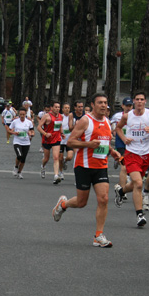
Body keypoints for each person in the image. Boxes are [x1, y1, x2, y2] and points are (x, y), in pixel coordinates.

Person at [52, 93, 122, 247]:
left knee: (103, 199)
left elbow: (103, 142)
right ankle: (63, 205)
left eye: (105, 102)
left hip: (101, 166)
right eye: (100, 103)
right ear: (93, 104)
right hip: (83, 166)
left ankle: (98, 236)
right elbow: (71, 141)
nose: (103, 105)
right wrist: (88, 145)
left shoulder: (108, 122)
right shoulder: (85, 120)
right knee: (82, 202)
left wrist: (112, 151)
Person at [113, 92, 149, 227]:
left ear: (145, 101)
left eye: (142, 99)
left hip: (146, 154)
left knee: (135, 184)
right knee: (138, 183)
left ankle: (121, 191)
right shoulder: (127, 116)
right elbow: (118, 128)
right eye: (137, 99)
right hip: (131, 154)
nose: (140, 102)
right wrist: (124, 139)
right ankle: (140, 215)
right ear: (134, 102)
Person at [38, 101, 64, 184]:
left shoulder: (61, 116)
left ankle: (56, 176)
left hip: (56, 139)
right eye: (55, 107)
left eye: (58, 107)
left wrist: (62, 133)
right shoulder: (47, 116)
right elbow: (39, 127)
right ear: (52, 108)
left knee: (56, 157)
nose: (57, 109)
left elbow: (60, 126)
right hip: (47, 139)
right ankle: (43, 166)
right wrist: (45, 134)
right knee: (46, 158)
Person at [110, 97, 132, 191]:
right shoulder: (117, 116)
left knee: (128, 163)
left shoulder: (134, 116)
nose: (128, 108)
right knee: (124, 164)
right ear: (122, 106)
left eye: (130, 106)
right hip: (120, 144)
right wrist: (113, 130)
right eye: (126, 106)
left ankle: (120, 185)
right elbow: (112, 124)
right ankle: (123, 189)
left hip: (131, 144)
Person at [7, 107, 34, 179]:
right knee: (19, 155)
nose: (22, 116)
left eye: (23, 114)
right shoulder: (15, 121)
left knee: (23, 159)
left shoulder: (29, 122)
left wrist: (31, 134)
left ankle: (19, 172)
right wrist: (14, 132)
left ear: (25, 114)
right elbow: (9, 130)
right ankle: (16, 167)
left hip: (26, 142)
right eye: (21, 114)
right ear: (19, 114)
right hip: (17, 141)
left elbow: (32, 131)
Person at [58, 103, 75, 180]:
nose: (67, 109)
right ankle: (61, 172)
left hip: (69, 140)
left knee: (70, 157)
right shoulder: (60, 117)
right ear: (62, 109)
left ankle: (66, 160)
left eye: (68, 108)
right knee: (60, 158)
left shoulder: (72, 118)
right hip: (61, 140)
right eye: (65, 108)